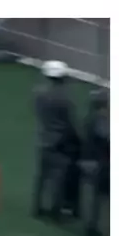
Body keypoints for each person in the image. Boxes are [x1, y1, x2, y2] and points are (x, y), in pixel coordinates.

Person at [32, 60, 78, 221]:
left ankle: (37, 207)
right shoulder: (64, 98)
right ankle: (55, 211)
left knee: (42, 176)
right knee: (58, 177)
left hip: (43, 138)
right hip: (60, 142)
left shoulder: (39, 93)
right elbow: (69, 122)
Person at [81, 88, 110, 236]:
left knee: (94, 198)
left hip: (90, 161)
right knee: (99, 200)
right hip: (99, 164)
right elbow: (106, 138)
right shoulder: (101, 120)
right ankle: (94, 230)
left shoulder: (89, 118)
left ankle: (91, 228)